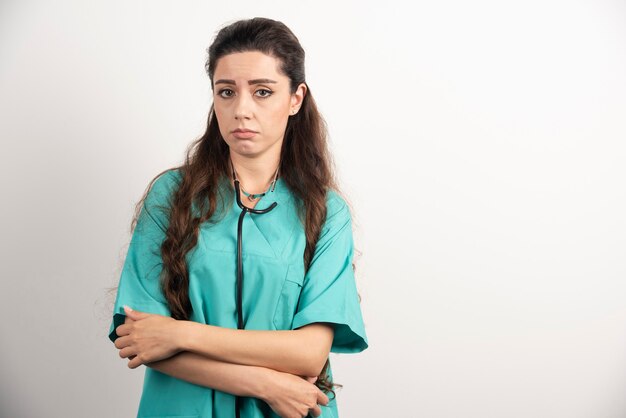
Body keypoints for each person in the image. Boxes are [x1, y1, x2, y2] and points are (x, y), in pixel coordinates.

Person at [108, 17, 368, 418]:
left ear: (296, 99)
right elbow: (141, 339)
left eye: (262, 92)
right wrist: (264, 382)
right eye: (226, 92)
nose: (241, 110)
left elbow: (308, 354)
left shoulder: (325, 211)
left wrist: (179, 333)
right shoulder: (171, 196)